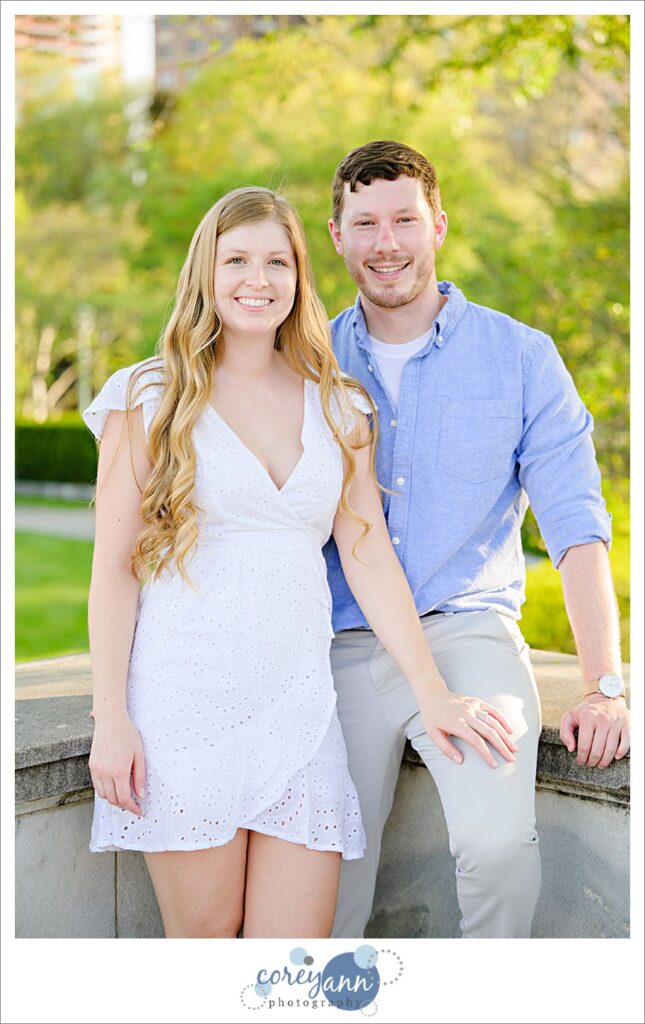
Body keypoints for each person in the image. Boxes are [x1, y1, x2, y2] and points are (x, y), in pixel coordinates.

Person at [82, 186, 518, 939]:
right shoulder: (148, 396)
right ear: (205, 275)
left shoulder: (339, 404)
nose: (258, 279)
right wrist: (110, 717)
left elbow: (367, 552)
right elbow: (114, 571)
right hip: (183, 709)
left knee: (294, 968)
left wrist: (431, 690)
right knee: (209, 952)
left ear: (299, 276)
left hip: (298, 710)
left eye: (277, 262)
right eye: (238, 260)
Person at [323, 140, 631, 939]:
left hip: (468, 633)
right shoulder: (305, 358)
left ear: (438, 227)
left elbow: (575, 528)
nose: (385, 242)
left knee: (497, 848)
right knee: (323, 881)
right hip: (332, 642)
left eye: (403, 220)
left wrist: (603, 684)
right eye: (365, 223)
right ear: (336, 237)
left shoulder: (521, 357)